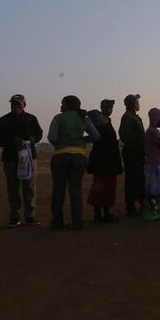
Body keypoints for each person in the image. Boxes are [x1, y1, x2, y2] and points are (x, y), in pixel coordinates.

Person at [47, 95, 101, 230]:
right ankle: (78, 221)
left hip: (60, 156)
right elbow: (96, 136)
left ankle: (57, 222)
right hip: (79, 156)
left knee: (58, 190)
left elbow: (52, 138)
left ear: (67, 105)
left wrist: (63, 142)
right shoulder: (84, 119)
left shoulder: (58, 118)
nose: (60, 107)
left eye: (62, 104)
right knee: (75, 190)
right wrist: (82, 141)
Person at [0, 94, 43, 228]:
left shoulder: (31, 119)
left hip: (29, 158)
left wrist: (33, 138)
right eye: (13, 104)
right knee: (13, 188)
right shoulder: (3, 120)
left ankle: (30, 216)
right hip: (10, 158)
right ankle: (14, 217)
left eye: (18, 104)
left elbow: (39, 133)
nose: (15, 106)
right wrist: (11, 141)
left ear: (24, 105)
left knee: (29, 188)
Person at [86, 100, 123, 222]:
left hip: (107, 159)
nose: (110, 109)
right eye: (107, 107)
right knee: (101, 186)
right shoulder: (99, 120)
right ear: (102, 108)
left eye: (111, 107)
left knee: (107, 186)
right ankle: (99, 214)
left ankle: (104, 213)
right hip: (103, 159)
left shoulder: (105, 121)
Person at [119, 94, 145, 217]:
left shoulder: (133, 117)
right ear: (133, 104)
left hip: (136, 152)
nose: (139, 104)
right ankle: (131, 207)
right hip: (132, 152)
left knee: (138, 179)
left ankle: (138, 204)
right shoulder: (128, 117)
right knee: (132, 180)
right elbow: (125, 135)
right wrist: (136, 145)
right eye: (137, 101)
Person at [143, 108, 160, 222]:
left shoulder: (151, 131)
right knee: (154, 191)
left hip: (153, 163)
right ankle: (151, 213)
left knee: (153, 190)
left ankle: (152, 212)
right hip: (154, 165)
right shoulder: (153, 132)